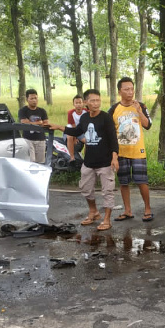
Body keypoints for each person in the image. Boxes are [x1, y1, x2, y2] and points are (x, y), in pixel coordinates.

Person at [48, 89, 119, 231]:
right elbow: (76, 131)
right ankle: (94, 212)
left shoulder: (105, 118)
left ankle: (106, 220)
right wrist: (59, 127)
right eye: (92, 100)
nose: (96, 103)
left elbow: (113, 139)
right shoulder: (85, 118)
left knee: (108, 192)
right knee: (86, 189)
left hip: (105, 162)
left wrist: (114, 158)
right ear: (86, 102)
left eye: (98, 100)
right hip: (89, 162)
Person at [108, 77, 153, 222]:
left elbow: (148, 125)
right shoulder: (114, 109)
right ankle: (127, 211)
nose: (130, 92)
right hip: (121, 152)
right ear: (119, 91)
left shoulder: (141, 105)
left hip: (138, 151)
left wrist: (139, 111)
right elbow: (109, 131)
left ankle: (148, 209)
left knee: (142, 181)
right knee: (124, 182)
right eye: (126, 89)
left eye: (132, 89)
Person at [18, 88, 49, 163]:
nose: (34, 100)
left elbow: (46, 123)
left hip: (41, 139)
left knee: (41, 162)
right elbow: (24, 122)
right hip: (28, 139)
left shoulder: (42, 111)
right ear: (27, 99)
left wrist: (31, 122)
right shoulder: (23, 111)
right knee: (31, 161)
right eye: (31, 98)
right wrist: (39, 123)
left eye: (35, 98)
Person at [66, 94, 87, 161]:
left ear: (83, 103)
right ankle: (72, 157)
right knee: (69, 137)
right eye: (76, 103)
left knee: (88, 141)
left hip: (82, 131)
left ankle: (86, 158)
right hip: (73, 130)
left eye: (80, 103)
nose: (78, 105)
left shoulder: (86, 112)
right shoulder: (70, 113)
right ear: (73, 104)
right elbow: (73, 126)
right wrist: (75, 138)